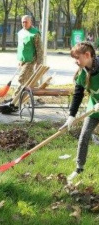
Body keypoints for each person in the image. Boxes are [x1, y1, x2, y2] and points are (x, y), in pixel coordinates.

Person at [58, 41, 99, 182]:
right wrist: (71, 116)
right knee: (83, 137)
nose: (76, 61)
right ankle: (79, 168)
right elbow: (78, 95)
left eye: (77, 58)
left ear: (87, 55)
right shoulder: (82, 73)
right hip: (94, 109)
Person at [0, 15, 43, 113]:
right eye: (23, 22)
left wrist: (39, 62)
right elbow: (22, 47)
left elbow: (39, 49)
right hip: (23, 60)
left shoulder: (35, 33)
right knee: (29, 82)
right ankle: (32, 99)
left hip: (31, 60)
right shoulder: (21, 32)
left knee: (21, 79)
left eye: (26, 22)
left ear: (31, 22)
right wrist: (20, 59)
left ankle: (13, 100)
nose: (24, 23)